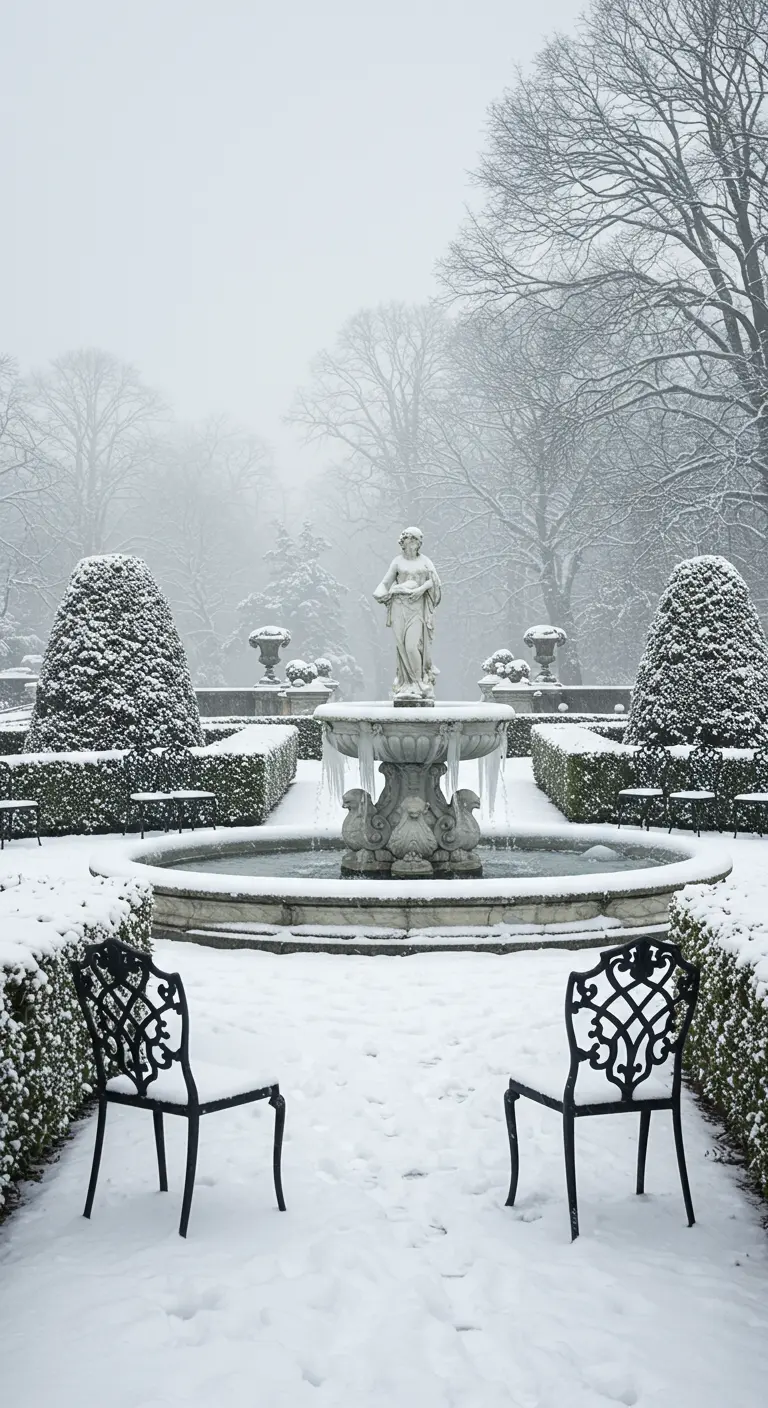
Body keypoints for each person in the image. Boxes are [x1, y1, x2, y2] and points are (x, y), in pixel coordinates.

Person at [373, 527, 441, 700]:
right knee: (401, 646)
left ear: (419, 543)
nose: (410, 545)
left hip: (417, 609)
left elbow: (435, 583)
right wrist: (380, 594)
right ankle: (406, 684)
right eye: (407, 542)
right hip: (398, 607)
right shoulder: (397, 562)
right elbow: (384, 583)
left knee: (412, 646)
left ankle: (418, 683)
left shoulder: (426, 562)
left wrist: (421, 589)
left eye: (414, 542)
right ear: (402, 544)